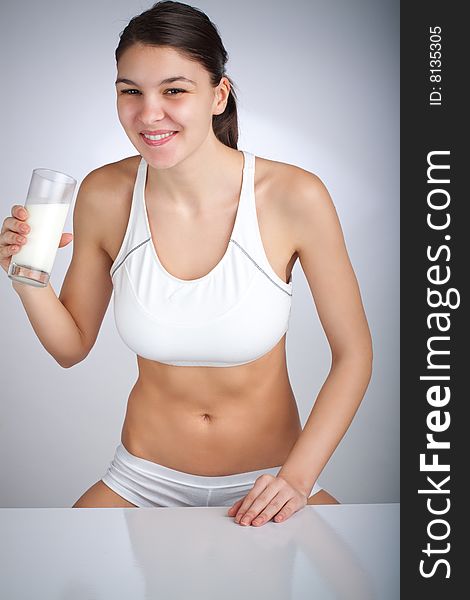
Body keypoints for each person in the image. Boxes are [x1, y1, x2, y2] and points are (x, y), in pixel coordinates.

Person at [1, 1, 372, 526]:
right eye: (130, 91)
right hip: (140, 479)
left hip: (267, 479)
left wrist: (296, 478)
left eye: (174, 90)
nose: (149, 113)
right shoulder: (105, 194)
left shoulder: (294, 196)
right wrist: (26, 277)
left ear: (218, 95)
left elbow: (354, 354)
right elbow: (71, 346)